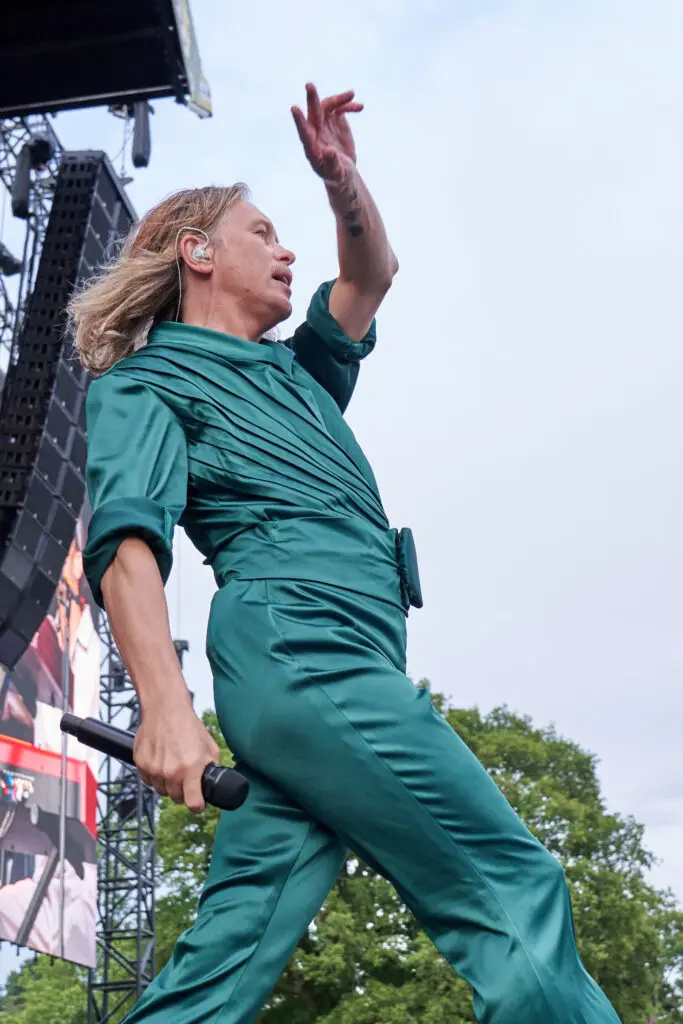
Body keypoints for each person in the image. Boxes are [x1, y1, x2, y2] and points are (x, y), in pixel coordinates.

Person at [69, 84, 621, 1023]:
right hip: (301, 649)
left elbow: (369, 275)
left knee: (226, 961)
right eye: (263, 232)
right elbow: (126, 545)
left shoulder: (299, 373)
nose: (289, 252)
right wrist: (167, 708)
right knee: (508, 885)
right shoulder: (147, 381)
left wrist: (343, 184)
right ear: (197, 254)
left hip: (344, 661)